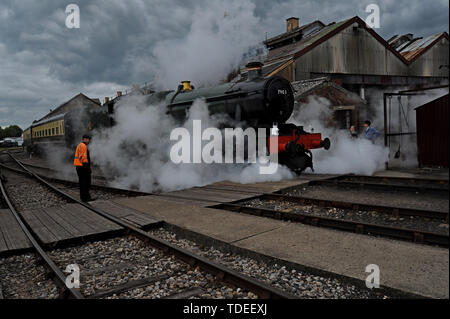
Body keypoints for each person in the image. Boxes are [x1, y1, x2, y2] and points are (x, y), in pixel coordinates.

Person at [73, 134, 94, 202]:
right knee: (86, 182)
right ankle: (86, 198)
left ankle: (84, 197)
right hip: (82, 167)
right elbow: (84, 158)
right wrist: (88, 168)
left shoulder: (80, 145)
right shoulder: (83, 146)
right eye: (88, 139)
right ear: (85, 139)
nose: (89, 141)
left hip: (79, 166)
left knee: (82, 183)